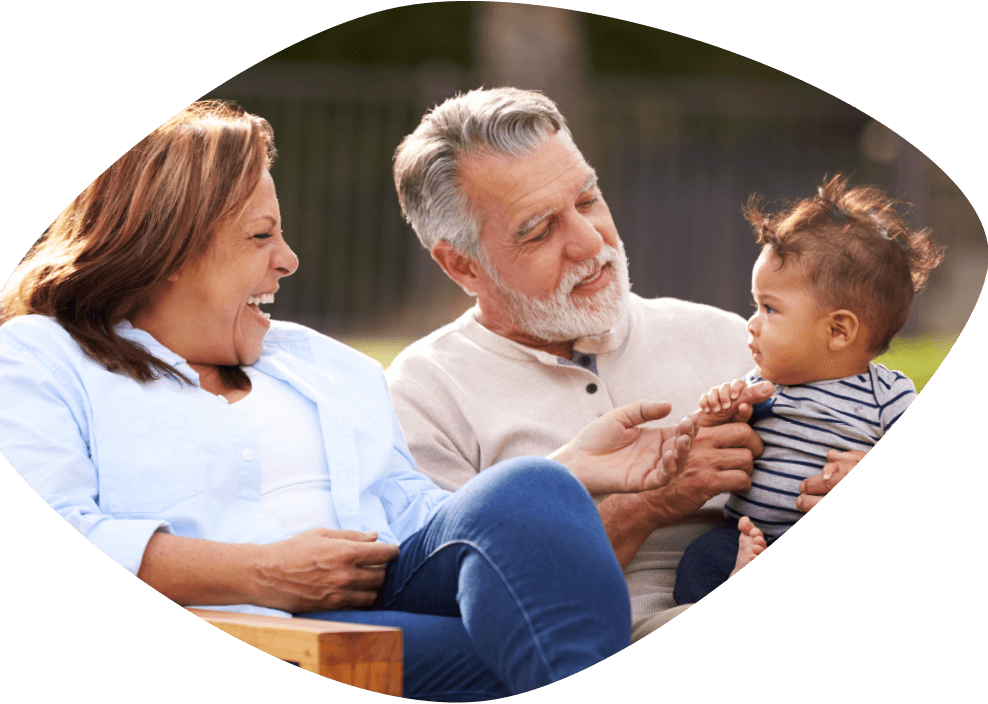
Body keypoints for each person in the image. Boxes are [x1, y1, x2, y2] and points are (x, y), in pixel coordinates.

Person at [0, 100, 701, 700]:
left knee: (532, 487)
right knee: (516, 652)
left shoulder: (319, 363)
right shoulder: (43, 357)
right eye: (260, 235)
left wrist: (563, 475)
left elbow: (417, 515)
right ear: (169, 250)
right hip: (247, 620)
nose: (288, 259)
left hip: (383, 587)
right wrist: (264, 573)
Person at [386, 87, 796, 641]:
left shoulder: (729, 336)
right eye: (539, 230)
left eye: (587, 200)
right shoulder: (423, 394)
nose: (588, 241)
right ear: (462, 265)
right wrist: (648, 505)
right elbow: (463, 602)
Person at [673, 175, 944, 604]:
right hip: (744, 534)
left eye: (769, 308)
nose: (752, 322)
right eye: (754, 305)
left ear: (838, 329)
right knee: (700, 560)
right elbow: (724, 435)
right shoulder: (762, 386)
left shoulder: (886, 394)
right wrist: (723, 408)